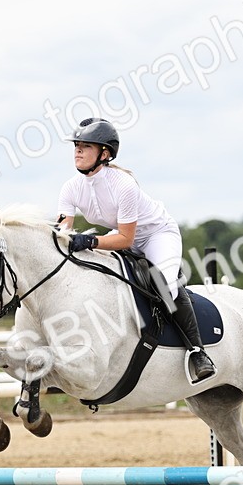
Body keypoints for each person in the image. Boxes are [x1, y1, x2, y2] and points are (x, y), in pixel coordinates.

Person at [57, 118, 215, 382]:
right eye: (76, 145)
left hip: (155, 234)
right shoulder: (70, 188)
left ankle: (197, 352)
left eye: (85, 146)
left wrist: (91, 242)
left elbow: (126, 240)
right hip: (118, 234)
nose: (78, 151)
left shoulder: (124, 185)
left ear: (104, 153)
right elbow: (62, 231)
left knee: (164, 285)